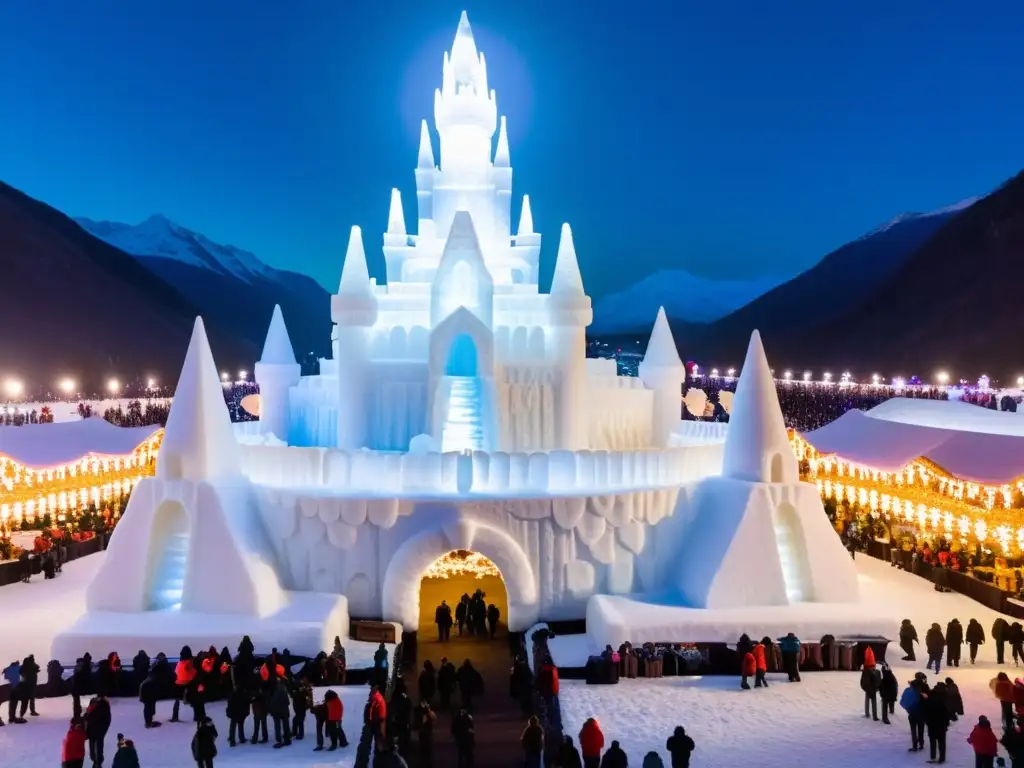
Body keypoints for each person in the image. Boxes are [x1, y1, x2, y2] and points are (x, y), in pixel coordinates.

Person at [900, 673, 927, 753]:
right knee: (921, 728)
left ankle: (914, 745)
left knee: (913, 729)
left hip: (912, 711)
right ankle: (921, 744)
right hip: (921, 711)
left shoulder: (912, 686)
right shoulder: (925, 687)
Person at [925, 680, 951, 763]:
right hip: (941, 723)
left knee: (932, 740)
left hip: (931, 722)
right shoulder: (944, 698)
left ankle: (933, 756)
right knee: (941, 741)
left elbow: (926, 709)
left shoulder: (930, 695)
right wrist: (946, 723)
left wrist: (927, 720)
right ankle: (942, 758)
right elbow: (946, 712)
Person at [84, 694, 112, 768]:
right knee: (95, 747)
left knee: (97, 746)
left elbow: (106, 719)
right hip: (93, 730)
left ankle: (97, 762)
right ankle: (97, 761)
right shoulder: (97, 703)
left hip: (98, 730)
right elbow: (87, 715)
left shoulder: (102, 705)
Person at [225, 674, 250, 746]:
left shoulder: (233, 694)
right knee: (240, 725)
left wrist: (229, 712)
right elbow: (247, 702)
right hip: (241, 712)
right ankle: (241, 738)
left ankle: (232, 740)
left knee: (233, 726)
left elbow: (230, 703)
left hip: (234, 713)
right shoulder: (244, 693)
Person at [860, 647, 881, 722]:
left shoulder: (865, 672)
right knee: (874, 701)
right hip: (874, 688)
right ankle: (874, 716)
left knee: (867, 700)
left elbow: (862, 681)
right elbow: (879, 681)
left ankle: (867, 713)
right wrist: (877, 688)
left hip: (868, 688)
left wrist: (864, 687)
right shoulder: (877, 672)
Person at [270, 678, 292, 748]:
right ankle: (287, 740)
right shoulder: (284, 687)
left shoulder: (273, 689)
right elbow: (287, 701)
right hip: (284, 708)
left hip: (276, 709)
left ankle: (279, 741)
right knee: (285, 724)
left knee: (277, 726)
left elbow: (271, 700)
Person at [414, 699, 435, 767]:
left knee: (427, 752)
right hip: (423, 735)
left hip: (427, 735)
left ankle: (427, 764)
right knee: (423, 752)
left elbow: (433, 719)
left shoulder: (429, 714)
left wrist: (428, 710)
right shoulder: (420, 714)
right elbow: (418, 724)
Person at [3, 659, 24, 725]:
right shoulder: (18, 667)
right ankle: (12, 717)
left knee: (11, 702)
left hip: (8, 687)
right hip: (15, 687)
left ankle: (11, 717)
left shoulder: (7, 669)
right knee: (14, 702)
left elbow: (5, 677)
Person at [19, 654, 40, 718]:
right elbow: (37, 668)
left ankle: (22, 713)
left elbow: (21, 671)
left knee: (26, 700)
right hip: (31, 684)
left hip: (27, 684)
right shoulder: (32, 665)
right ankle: (31, 711)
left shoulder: (25, 665)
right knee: (30, 699)